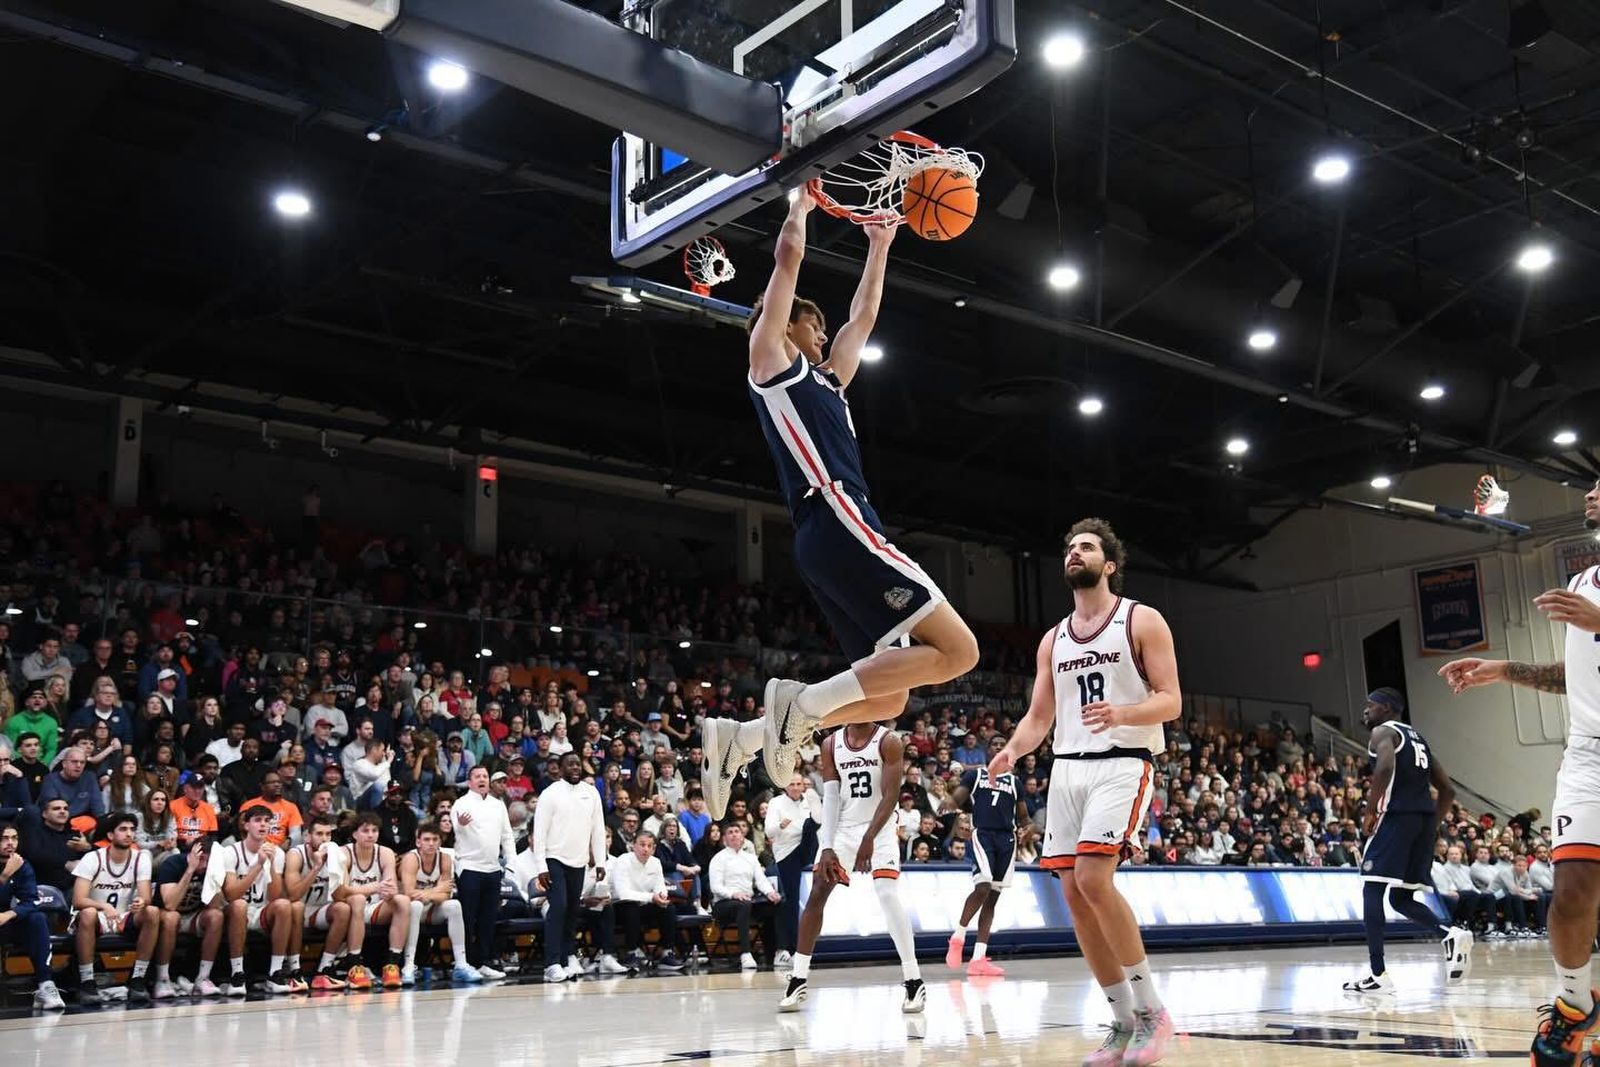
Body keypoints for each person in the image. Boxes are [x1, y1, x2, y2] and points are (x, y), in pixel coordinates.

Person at [697, 186, 981, 818]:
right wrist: (797, 207)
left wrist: (880, 244)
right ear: (789, 325)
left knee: (889, 698)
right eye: (815, 323)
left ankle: (740, 739)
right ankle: (800, 706)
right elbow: (789, 262)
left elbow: (864, 319)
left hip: (825, 533)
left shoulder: (828, 382)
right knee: (962, 652)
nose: (826, 334)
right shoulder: (771, 361)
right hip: (837, 514)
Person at [990, 519, 1181, 1067]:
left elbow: (1170, 701)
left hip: (1122, 762)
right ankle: (1121, 1020)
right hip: (1067, 767)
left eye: (1087, 547)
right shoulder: (1053, 638)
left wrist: (1125, 712)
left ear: (1110, 564)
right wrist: (1012, 751)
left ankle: (1152, 1013)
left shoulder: (1141, 620)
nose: (1075, 552)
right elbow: (1039, 715)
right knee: (1073, 894)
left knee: (1096, 878)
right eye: (1070, 547)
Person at [1439, 477, 1600, 1067]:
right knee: (1572, 888)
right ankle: (1575, 1009)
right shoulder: (1585, 582)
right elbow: (1576, 674)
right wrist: (1504, 669)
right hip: (1588, 753)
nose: (1591, 493)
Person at [779, 721, 921, 1011]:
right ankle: (798, 978)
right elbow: (831, 796)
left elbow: (892, 794)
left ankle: (913, 981)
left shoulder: (889, 741)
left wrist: (868, 837)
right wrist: (828, 844)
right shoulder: (831, 743)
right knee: (818, 891)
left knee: (886, 892)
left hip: (879, 829)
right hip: (844, 828)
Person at [1342, 688, 1471, 993]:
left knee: (1372, 889)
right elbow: (1448, 791)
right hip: (1423, 821)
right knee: (1400, 898)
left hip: (1396, 818)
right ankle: (1450, 932)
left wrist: (1371, 810)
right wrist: (1430, 824)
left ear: (1386, 708)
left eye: (1369, 705)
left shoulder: (1382, 732)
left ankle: (1378, 974)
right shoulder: (1418, 739)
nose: (1365, 711)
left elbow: (1385, 767)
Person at [532, 751, 607, 983]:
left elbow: (598, 828)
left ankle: (568, 957)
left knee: (573, 910)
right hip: (554, 859)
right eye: (570, 764)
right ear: (561, 768)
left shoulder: (591, 792)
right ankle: (551, 964)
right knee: (559, 907)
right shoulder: (550, 793)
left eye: (577, 764)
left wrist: (601, 860)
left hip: (580, 860)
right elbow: (540, 832)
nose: (575, 767)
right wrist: (540, 866)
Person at [208, 804, 299, 995]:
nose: (263, 825)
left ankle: (275, 972)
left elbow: (274, 897)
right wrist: (258, 866)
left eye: (267, 821)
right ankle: (237, 973)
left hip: (260, 911)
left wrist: (271, 864)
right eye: (257, 820)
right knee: (240, 905)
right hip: (233, 913)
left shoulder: (278, 853)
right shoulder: (230, 852)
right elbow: (231, 895)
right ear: (246, 825)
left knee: (284, 905)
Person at [946, 764, 1026, 976]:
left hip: (1007, 839)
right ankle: (958, 937)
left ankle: (978, 958)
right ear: (991, 753)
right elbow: (958, 798)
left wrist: (1029, 827)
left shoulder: (1015, 782)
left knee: (992, 898)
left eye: (1004, 746)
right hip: (983, 834)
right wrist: (951, 801)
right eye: (996, 746)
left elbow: (1024, 816)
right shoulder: (977, 775)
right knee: (982, 886)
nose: (1000, 748)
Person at [72, 811, 158, 1005]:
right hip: (97, 916)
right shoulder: (93, 858)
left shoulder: (141, 858)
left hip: (125, 915)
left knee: (152, 912)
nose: (129, 834)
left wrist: (141, 903)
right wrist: (103, 906)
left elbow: (146, 897)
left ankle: (137, 979)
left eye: (132, 830)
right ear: (110, 835)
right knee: (87, 913)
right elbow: (78, 900)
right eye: (123, 829)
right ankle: (87, 982)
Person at [332, 811, 411, 990]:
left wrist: (388, 891)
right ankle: (354, 965)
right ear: (354, 834)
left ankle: (392, 965)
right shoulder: (343, 853)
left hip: (375, 907)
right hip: (349, 909)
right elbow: (343, 891)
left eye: (374, 830)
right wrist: (374, 887)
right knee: (358, 899)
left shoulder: (385, 853)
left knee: (403, 901)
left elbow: (389, 888)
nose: (370, 834)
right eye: (365, 830)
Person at [451, 764, 516, 980]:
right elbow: (456, 828)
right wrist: (460, 824)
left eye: (485, 776)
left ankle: (484, 961)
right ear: (470, 782)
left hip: (492, 868)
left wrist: (511, 862)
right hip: (469, 867)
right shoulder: (461, 803)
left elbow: (507, 835)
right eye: (477, 776)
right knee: (469, 918)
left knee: (489, 918)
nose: (482, 779)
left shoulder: (498, 805)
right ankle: (466, 962)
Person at [399, 820, 483, 984]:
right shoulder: (410, 858)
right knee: (415, 905)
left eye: (435, 840)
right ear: (418, 842)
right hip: (410, 911)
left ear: (440, 841)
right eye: (427, 840)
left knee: (454, 905)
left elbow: (446, 895)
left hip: (432, 907)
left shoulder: (444, 859)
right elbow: (409, 893)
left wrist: (428, 894)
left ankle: (461, 964)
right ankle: (409, 966)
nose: (431, 844)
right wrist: (436, 890)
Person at [284, 814, 354, 992]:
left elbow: (341, 896)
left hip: (318, 911)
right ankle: (294, 969)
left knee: (343, 909)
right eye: (319, 834)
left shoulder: (336, 855)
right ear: (308, 836)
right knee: (297, 907)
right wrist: (316, 868)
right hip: (294, 911)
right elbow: (293, 895)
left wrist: (337, 867)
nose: (325, 839)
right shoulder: (295, 854)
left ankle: (324, 970)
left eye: (328, 835)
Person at [0, 820, 64, 1009]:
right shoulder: (12, 867)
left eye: (14, 838)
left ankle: (45, 985)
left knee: (37, 919)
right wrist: (4, 876)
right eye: (4, 839)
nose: (10, 843)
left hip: (5, 922)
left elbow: (32, 901)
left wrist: (9, 914)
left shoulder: (22, 864)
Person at [152, 836, 226, 997]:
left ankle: (203, 978)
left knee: (216, 916)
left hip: (192, 916)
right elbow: (170, 904)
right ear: (192, 854)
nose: (204, 865)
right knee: (172, 917)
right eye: (201, 859)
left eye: (209, 861)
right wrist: (190, 869)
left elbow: (214, 905)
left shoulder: (211, 870)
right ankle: (162, 979)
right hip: (164, 915)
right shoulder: (173, 863)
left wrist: (215, 875)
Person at [765, 772, 820, 970]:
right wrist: (780, 826)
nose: (796, 787)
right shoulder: (776, 803)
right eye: (792, 784)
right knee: (792, 900)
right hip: (787, 851)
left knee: (811, 825)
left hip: (806, 847)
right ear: (785, 786)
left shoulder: (807, 801)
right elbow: (769, 832)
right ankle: (792, 948)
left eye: (799, 784)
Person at [708, 821, 780, 971]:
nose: (734, 834)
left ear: (742, 837)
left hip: (748, 901)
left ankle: (778, 952)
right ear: (724, 839)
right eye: (730, 832)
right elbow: (715, 887)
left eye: (737, 831)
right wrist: (734, 894)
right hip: (724, 904)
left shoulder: (751, 858)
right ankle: (746, 953)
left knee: (775, 905)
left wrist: (770, 893)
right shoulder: (718, 859)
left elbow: (761, 880)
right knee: (743, 905)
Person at [608, 828, 682, 972]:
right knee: (631, 907)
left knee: (668, 908)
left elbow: (660, 887)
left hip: (646, 903)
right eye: (642, 845)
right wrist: (651, 897)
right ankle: (631, 952)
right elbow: (624, 893)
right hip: (620, 907)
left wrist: (661, 896)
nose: (645, 849)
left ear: (654, 849)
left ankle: (666, 952)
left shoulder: (655, 862)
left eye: (649, 846)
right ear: (633, 846)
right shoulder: (623, 860)